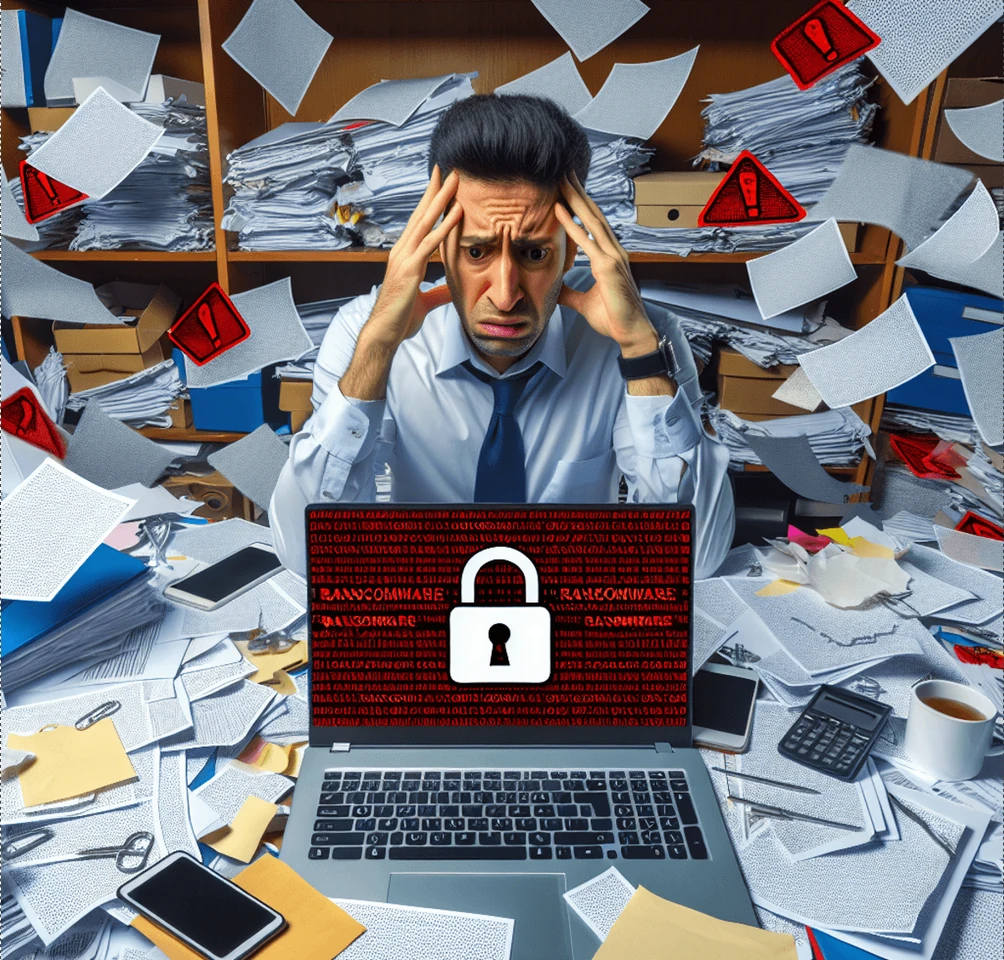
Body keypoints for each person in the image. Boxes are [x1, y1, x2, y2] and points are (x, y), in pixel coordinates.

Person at [270, 94, 735, 578]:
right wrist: (378, 350)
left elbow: (694, 561)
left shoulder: (642, 335)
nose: (506, 294)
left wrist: (640, 352)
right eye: (477, 252)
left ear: (573, 250)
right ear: (437, 245)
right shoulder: (364, 330)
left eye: (534, 255)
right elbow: (308, 561)